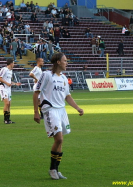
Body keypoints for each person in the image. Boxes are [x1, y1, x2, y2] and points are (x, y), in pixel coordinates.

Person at [33, 52, 84, 180]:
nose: (67, 63)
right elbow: (36, 93)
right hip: (50, 110)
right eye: (65, 61)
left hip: (62, 111)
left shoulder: (64, 78)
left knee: (60, 141)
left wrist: (77, 108)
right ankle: (52, 169)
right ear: (58, 62)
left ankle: (56, 169)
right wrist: (35, 112)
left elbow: (68, 96)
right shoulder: (46, 75)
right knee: (59, 139)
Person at [0, 59, 21, 124]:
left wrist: (15, 83)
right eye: (13, 63)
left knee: (9, 104)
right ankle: (5, 119)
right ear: (10, 64)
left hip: (8, 89)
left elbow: (9, 81)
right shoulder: (4, 69)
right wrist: (6, 83)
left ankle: (8, 119)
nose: (14, 64)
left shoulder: (11, 71)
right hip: (3, 88)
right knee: (6, 103)